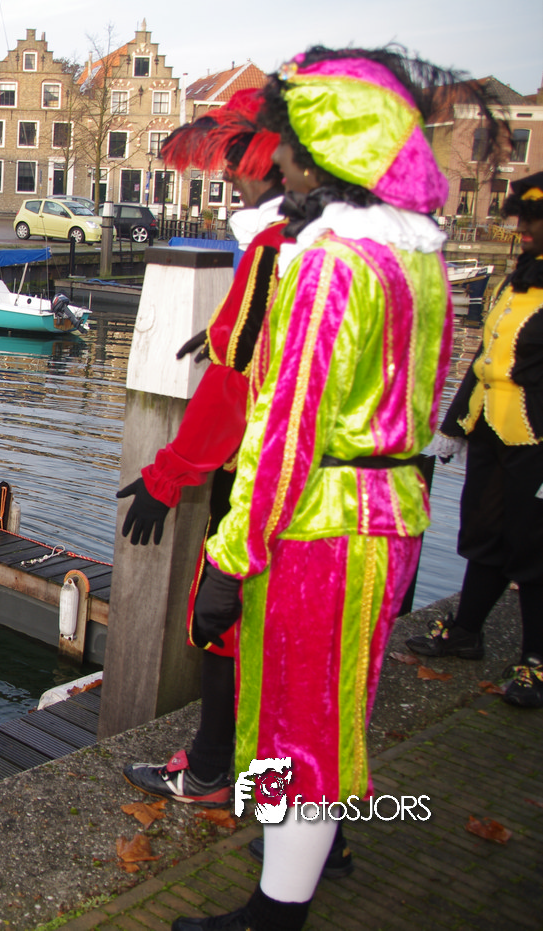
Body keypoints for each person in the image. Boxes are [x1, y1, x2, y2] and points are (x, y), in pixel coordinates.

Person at [172, 47, 505, 931]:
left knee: (294, 719)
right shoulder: (417, 261)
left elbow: (286, 428)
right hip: (389, 517)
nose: (278, 162)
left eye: (290, 147)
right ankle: (302, 864)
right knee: (330, 707)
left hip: (321, 526)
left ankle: (275, 914)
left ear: (327, 154)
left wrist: (228, 555)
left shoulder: (330, 266)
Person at [119, 88, 289, 808]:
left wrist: (166, 477)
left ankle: (214, 773)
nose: (229, 181)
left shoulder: (276, 249)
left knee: (220, 623)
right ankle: (295, 807)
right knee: (300, 652)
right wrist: (224, 329)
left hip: (267, 480)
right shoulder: (375, 254)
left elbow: (234, 389)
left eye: (235, 167)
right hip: (357, 500)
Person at [406, 171, 543, 708]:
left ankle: (536, 659)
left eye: (533, 221)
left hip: (535, 437)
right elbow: (485, 358)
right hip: (489, 427)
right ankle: (467, 631)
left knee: (532, 547)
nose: (522, 228)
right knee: (484, 532)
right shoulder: (513, 282)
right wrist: (454, 423)